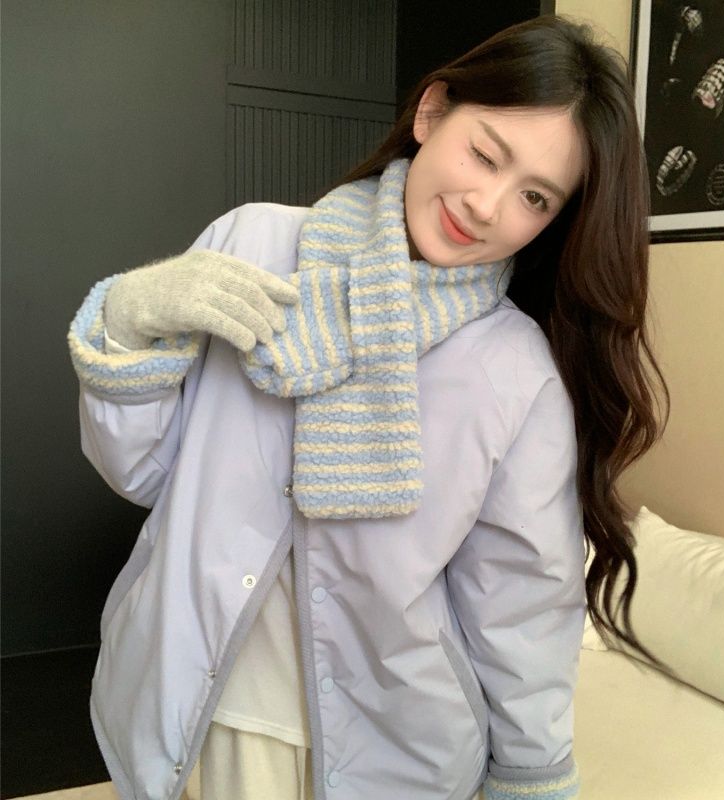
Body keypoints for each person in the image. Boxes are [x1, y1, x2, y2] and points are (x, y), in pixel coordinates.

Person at [67, 14, 669, 800]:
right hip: (191, 704)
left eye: (534, 197)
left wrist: (532, 774)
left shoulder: (515, 370)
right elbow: (144, 472)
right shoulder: (252, 246)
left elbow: (520, 604)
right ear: (432, 113)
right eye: (486, 153)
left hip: (392, 748)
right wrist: (127, 323)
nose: (486, 206)